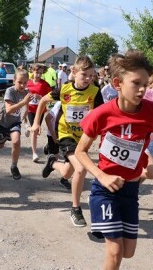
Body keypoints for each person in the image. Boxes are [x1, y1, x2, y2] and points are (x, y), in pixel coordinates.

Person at [75, 50, 153, 269]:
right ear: (118, 83)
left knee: (128, 252)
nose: (142, 89)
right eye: (136, 83)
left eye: (146, 84)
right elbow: (81, 151)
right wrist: (102, 175)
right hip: (104, 190)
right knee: (115, 251)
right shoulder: (102, 113)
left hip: (130, 190)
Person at [31, 56, 103, 227]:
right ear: (74, 72)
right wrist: (35, 123)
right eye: (85, 75)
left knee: (66, 173)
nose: (88, 79)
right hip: (65, 134)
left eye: (92, 76)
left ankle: (53, 162)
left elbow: (101, 114)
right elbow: (43, 100)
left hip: (83, 138)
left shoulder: (94, 92)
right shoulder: (64, 90)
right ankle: (76, 209)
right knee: (80, 168)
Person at [0, 69, 32, 180]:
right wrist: (23, 103)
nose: (22, 85)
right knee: (0, 144)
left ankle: (14, 166)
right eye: (20, 82)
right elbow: (8, 110)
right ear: (14, 80)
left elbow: (26, 104)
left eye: (25, 83)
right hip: (3, 123)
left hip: (15, 122)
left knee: (16, 142)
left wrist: (26, 111)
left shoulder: (26, 92)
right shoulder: (10, 91)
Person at [26, 64, 52, 162]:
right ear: (32, 71)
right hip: (30, 109)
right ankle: (34, 153)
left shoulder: (45, 84)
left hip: (40, 110)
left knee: (35, 130)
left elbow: (50, 99)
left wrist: (40, 98)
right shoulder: (27, 83)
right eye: (37, 72)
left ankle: (28, 128)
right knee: (35, 130)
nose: (38, 75)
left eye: (40, 73)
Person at [43, 101, 71, 190]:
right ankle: (51, 159)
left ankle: (64, 179)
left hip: (69, 135)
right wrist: (54, 136)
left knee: (71, 158)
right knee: (55, 156)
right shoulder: (60, 104)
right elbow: (47, 119)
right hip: (53, 133)